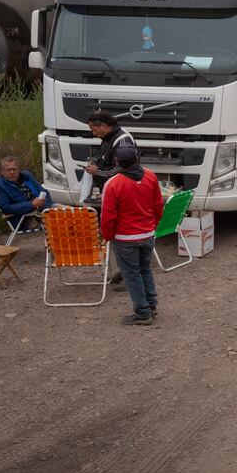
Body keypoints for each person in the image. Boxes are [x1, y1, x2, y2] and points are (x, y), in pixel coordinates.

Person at [100, 143, 163, 325]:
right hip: (147, 233)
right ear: (137, 158)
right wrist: (153, 225)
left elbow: (108, 216)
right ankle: (151, 305)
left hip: (125, 237)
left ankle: (142, 312)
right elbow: (158, 205)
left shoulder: (113, 184)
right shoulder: (151, 177)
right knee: (145, 269)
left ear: (118, 161)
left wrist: (107, 235)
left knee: (131, 274)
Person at [82, 110, 136, 203]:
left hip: (120, 195)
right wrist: (95, 163)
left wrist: (97, 171)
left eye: (94, 130)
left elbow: (120, 170)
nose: (94, 134)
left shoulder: (122, 140)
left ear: (103, 125)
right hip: (110, 191)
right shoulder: (107, 138)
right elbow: (106, 160)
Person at [0, 155, 54, 230]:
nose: (12, 172)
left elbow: (44, 192)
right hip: (24, 218)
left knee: (68, 212)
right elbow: (6, 208)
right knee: (57, 223)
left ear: (19, 169)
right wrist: (32, 204)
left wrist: (46, 208)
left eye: (14, 169)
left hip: (43, 210)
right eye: (8, 170)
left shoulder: (26, 175)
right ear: (2, 172)